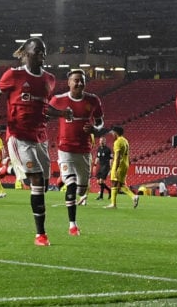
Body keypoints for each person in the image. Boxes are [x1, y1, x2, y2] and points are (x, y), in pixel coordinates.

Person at [0, 37, 73, 246]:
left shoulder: (49, 79)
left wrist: (62, 113)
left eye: (44, 51)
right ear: (26, 53)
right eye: (37, 51)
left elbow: (45, 108)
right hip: (18, 136)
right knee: (35, 179)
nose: (42, 54)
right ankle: (40, 235)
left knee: (42, 184)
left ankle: (10, 169)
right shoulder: (14, 75)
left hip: (40, 139)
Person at [49, 69, 105, 236]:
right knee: (72, 187)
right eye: (76, 80)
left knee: (81, 190)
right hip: (65, 149)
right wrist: (59, 114)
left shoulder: (93, 100)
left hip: (84, 151)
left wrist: (95, 128)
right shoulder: (59, 100)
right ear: (69, 82)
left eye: (82, 80)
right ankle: (72, 225)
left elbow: (101, 121)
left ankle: (64, 178)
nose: (79, 83)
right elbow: (45, 110)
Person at [105, 126, 139, 209]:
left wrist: (115, 168)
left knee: (114, 182)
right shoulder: (125, 140)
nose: (112, 134)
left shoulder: (118, 142)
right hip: (125, 164)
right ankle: (134, 197)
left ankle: (113, 204)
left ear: (116, 133)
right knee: (121, 184)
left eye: (113, 132)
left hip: (119, 165)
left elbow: (118, 156)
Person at [94, 136, 112, 200]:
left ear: (105, 141)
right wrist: (95, 164)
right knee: (98, 182)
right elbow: (97, 157)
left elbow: (110, 159)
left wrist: (111, 168)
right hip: (100, 166)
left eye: (102, 141)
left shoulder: (108, 149)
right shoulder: (99, 148)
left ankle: (101, 196)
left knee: (101, 181)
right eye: (100, 141)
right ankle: (109, 190)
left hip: (106, 166)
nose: (101, 142)